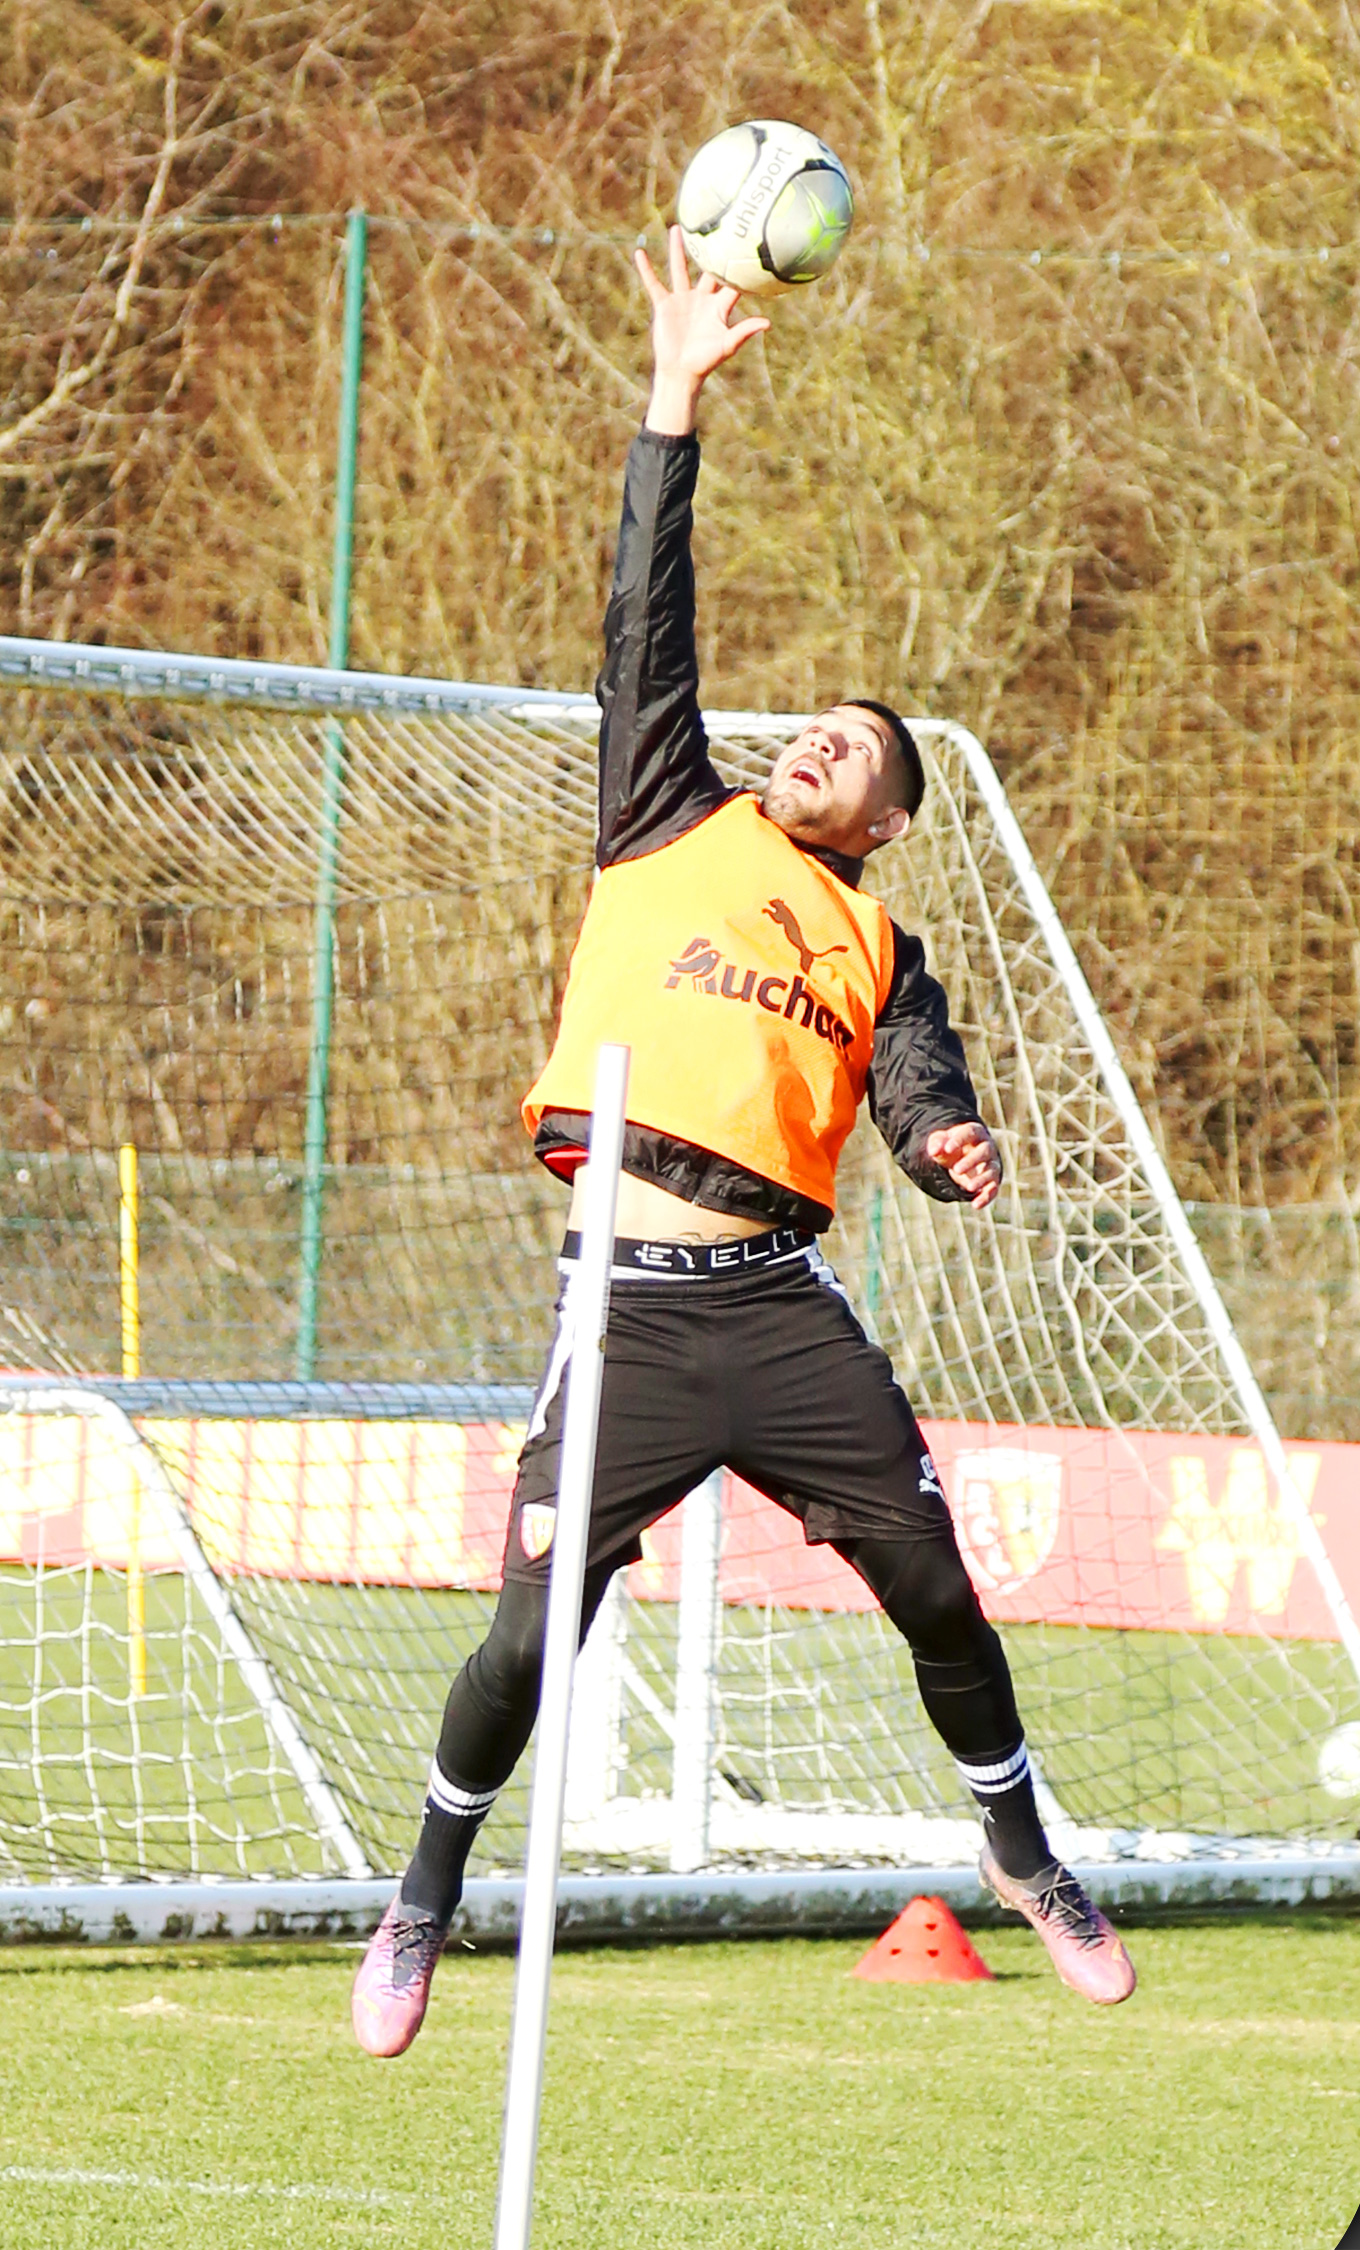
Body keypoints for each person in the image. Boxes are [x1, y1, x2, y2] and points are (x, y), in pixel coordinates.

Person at [352, 228, 1135, 2057]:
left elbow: (916, 1076)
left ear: (888, 815)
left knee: (936, 1583)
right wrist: (673, 397)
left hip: (780, 1311)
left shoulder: (881, 943)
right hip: (622, 1304)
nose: (814, 740)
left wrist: (944, 1141)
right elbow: (651, 610)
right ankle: (421, 1894)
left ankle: (1026, 1852)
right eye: (809, 726)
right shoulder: (665, 811)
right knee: (524, 1641)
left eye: (854, 745)